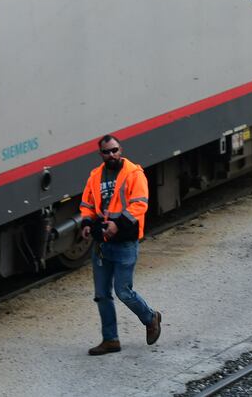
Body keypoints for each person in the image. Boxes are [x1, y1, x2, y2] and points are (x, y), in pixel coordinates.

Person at [79, 135, 162, 355]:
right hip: (101, 244)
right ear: (101, 154)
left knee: (123, 291)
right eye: (107, 152)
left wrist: (118, 224)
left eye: (114, 150)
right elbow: (87, 204)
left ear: (120, 149)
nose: (112, 154)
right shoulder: (95, 176)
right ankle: (110, 340)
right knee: (102, 295)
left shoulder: (133, 174)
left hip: (125, 242)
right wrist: (87, 223)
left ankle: (150, 317)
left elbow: (140, 204)